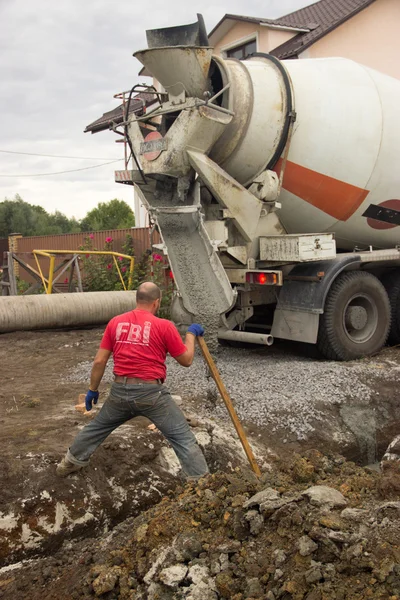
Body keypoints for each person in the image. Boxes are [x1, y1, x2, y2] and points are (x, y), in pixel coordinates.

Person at [56, 281, 209, 479]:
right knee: (182, 438)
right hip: (151, 395)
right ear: (156, 303)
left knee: (97, 428)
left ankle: (69, 463)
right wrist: (191, 334)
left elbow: (99, 360)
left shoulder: (116, 322)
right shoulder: (164, 326)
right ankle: (201, 484)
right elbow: (186, 360)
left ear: (137, 299)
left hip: (120, 391)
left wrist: (92, 389)